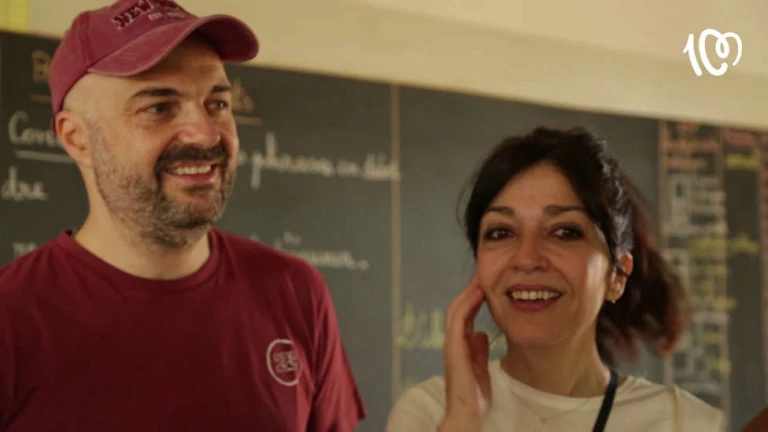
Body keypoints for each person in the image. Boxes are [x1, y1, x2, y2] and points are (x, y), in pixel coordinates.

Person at [0, 0, 366, 430]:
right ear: (77, 138)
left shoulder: (296, 293)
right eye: (159, 107)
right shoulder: (11, 317)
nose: (206, 134)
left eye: (218, 104)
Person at [386, 127, 724, 431]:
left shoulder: (686, 423)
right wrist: (463, 419)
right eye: (501, 232)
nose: (527, 258)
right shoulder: (428, 414)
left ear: (617, 275)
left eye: (565, 232)